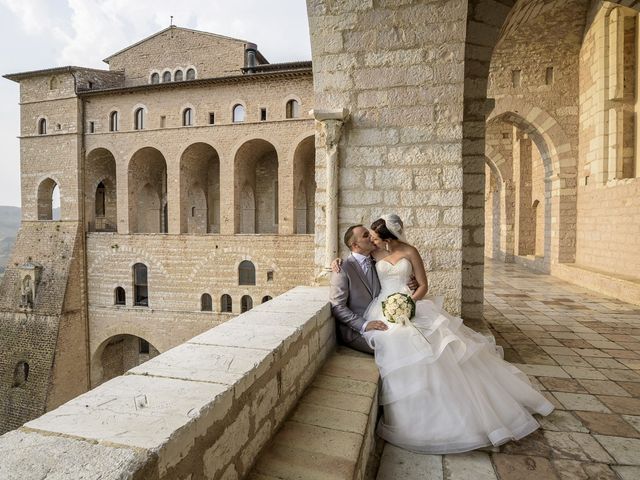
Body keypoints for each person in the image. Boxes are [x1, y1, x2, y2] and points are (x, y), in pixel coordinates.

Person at [334, 214, 554, 454]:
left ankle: (462, 408)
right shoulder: (373, 254)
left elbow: (423, 284)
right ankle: (415, 410)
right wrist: (337, 262)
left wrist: (409, 302)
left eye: (374, 236)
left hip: (410, 304)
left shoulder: (409, 251)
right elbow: (353, 264)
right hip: (383, 308)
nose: (372, 240)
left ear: (387, 237)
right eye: (369, 237)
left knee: (437, 344)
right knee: (399, 341)